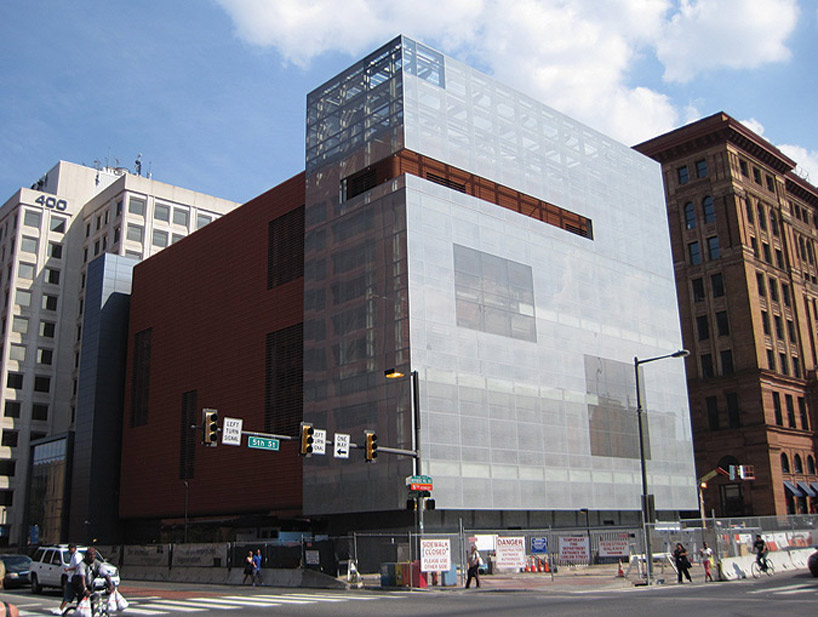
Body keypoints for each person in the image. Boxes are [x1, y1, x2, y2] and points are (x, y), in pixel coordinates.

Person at [54, 544, 83, 615]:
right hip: (72, 578)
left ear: (74, 548)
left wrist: (69, 569)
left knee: (68, 594)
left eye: (70, 549)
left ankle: (61, 610)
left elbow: (78, 567)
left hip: (74, 579)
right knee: (75, 595)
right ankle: (77, 609)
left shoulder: (77, 556)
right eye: (69, 549)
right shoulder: (73, 555)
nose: (69, 550)